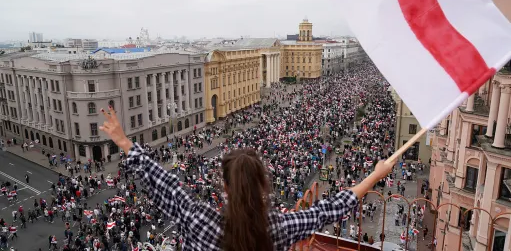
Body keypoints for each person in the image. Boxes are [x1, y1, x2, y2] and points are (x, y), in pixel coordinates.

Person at [99, 105, 395, 251]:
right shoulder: (278, 227)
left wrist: (125, 142)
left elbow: (164, 182)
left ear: (225, 186)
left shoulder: (198, 218)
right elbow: (329, 209)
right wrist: (374, 175)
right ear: (263, 184)